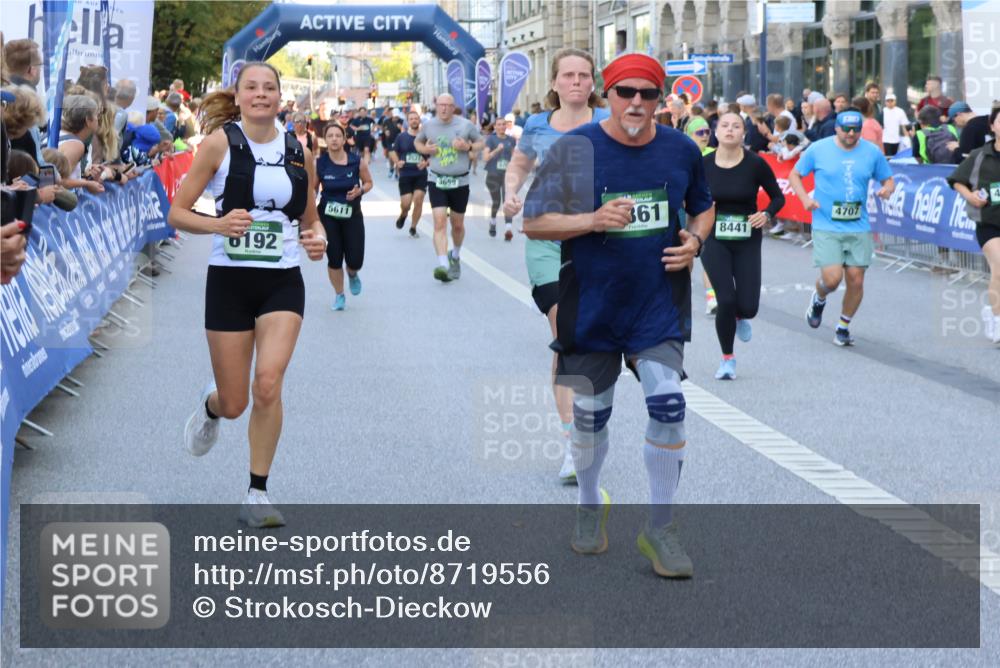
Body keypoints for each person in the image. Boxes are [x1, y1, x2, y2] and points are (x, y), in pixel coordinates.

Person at [523, 52, 714, 578]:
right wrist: (591, 220)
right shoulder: (575, 148)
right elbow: (534, 222)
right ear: (608, 94)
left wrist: (695, 240)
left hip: (657, 303)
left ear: (659, 100)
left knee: (669, 405)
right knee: (590, 418)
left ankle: (661, 528)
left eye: (647, 94)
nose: (635, 103)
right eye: (625, 92)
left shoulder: (680, 149)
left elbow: (703, 203)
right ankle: (589, 504)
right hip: (592, 305)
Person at [167, 62, 327, 527]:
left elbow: (310, 218)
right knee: (236, 402)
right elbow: (177, 213)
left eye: (270, 88)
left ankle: (257, 492)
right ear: (236, 97)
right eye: (251, 88)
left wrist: (317, 240)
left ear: (281, 97)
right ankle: (212, 404)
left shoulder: (299, 149)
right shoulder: (219, 144)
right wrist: (217, 223)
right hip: (230, 282)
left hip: (282, 279)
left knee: (269, 384)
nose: (261, 94)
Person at [502, 47, 610, 483]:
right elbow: (518, 165)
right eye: (568, 75)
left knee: (590, 341)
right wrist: (512, 193)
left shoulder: (609, 123)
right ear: (554, 83)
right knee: (565, 333)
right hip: (546, 239)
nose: (577, 83)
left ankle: (587, 421)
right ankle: (573, 443)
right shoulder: (537, 125)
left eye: (584, 76)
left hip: (598, 241)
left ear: (593, 82)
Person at [790, 109, 895, 346]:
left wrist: (888, 189)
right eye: (845, 129)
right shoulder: (818, 149)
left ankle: (843, 326)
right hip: (826, 223)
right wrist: (805, 199)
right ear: (836, 128)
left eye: (855, 129)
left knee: (856, 280)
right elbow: (795, 174)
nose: (850, 133)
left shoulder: (871, 152)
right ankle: (819, 297)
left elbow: (888, 179)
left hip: (858, 225)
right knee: (833, 278)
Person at [702, 112, 785, 379]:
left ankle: (741, 317)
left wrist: (767, 214)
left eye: (735, 126)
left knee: (748, 306)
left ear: (743, 134)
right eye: (724, 126)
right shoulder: (702, 164)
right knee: (725, 299)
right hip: (713, 237)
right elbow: (687, 196)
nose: (729, 130)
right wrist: (700, 210)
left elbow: (778, 197)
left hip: (747, 238)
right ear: (716, 132)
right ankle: (727, 359)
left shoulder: (755, 164)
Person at [414, 93, 483, 282]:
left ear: (453, 107)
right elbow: (418, 142)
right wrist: (425, 150)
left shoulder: (465, 125)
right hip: (437, 180)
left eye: (448, 105)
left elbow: (480, 142)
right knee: (439, 222)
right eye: (441, 105)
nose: (444, 108)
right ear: (436, 106)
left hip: (460, 181)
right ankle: (443, 264)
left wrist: (467, 147)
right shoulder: (429, 125)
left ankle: (455, 255)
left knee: (458, 225)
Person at [948, 106, 1000, 343]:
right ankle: (998, 322)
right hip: (989, 222)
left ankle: (992, 310)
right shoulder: (980, 154)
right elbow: (957, 180)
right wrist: (970, 197)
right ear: (992, 126)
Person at [317, 122, 372, 311]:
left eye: (337, 135)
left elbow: (369, 182)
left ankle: (352, 273)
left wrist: (360, 191)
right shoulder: (321, 163)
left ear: (344, 139)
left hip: (352, 216)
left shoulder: (356, 161)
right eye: (330, 136)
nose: (334, 139)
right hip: (328, 217)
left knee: (355, 259)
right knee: (333, 258)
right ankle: (339, 294)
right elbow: (312, 190)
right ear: (325, 140)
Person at [390, 109, 428, 238]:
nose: (414, 121)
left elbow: (433, 154)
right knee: (406, 204)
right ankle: (403, 214)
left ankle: (413, 227)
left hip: (420, 174)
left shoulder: (425, 138)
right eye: (411, 119)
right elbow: (393, 152)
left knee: (418, 199)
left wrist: (426, 163)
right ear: (408, 122)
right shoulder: (402, 137)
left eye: (416, 118)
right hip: (405, 174)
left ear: (419, 120)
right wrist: (397, 162)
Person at [57, 94, 106, 193]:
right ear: (88, 120)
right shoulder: (75, 145)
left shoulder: (56, 135)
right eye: (97, 115)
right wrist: (87, 184)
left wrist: (85, 174)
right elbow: (58, 181)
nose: (98, 119)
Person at [482, 116, 516, 240]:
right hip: (493, 174)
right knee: (496, 202)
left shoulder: (511, 140)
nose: (501, 127)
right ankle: (493, 222)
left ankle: (508, 229)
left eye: (503, 124)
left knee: (507, 201)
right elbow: (485, 158)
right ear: (495, 127)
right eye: (499, 125)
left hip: (507, 176)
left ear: (506, 126)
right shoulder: (491, 139)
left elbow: (514, 157)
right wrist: (497, 150)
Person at [380, 111, 403, 178]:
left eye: (397, 117)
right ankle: (391, 168)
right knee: (391, 157)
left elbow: (405, 130)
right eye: (395, 117)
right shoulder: (387, 121)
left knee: (398, 157)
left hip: (399, 141)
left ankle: (397, 173)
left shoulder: (401, 121)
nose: (396, 118)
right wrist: (385, 132)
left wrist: (401, 128)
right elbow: (383, 128)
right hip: (390, 141)